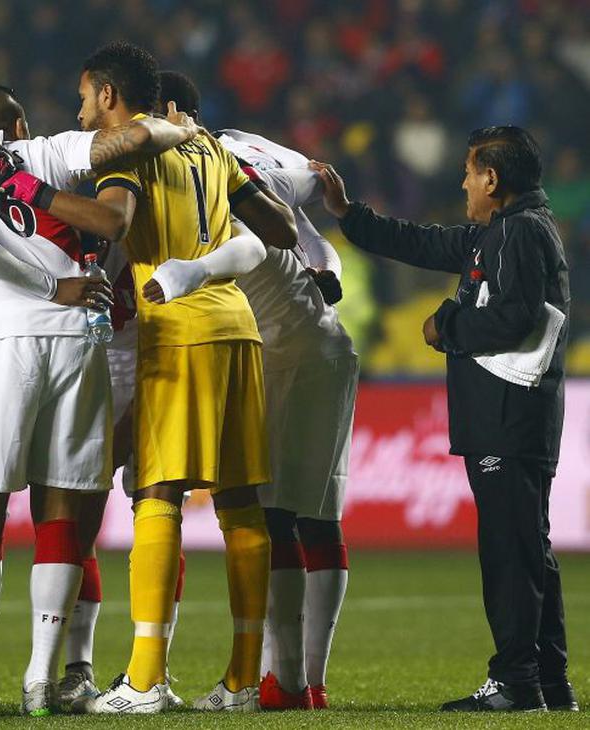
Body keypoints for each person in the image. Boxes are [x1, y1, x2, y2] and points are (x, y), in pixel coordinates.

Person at [0, 81, 195, 718]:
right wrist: (181, 129)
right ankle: (45, 680)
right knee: (63, 514)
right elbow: (135, 137)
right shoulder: (50, 150)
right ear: (17, 123)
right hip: (80, 342)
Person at [314, 125, 577, 713]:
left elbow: (513, 319)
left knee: (511, 552)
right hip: (513, 418)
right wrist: (348, 215)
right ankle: (546, 682)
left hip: (508, 418)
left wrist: (444, 327)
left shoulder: (518, 234)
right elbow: (424, 244)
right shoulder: (506, 231)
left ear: (492, 178)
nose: (462, 182)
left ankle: (515, 680)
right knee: (528, 549)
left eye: (468, 171)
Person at [71, 42, 296, 714]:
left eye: (85, 97)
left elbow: (114, 221)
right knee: (240, 501)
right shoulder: (214, 151)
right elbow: (279, 230)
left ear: (113, 96)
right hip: (239, 324)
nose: (82, 112)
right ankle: (242, 680)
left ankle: (144, 680)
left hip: (180, 327)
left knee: (157, 489)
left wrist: (32, 191)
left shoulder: (132, 150)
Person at [155, 70, 358, 712]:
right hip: (329, 343)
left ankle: (285, 683)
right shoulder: (253, 147)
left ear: (167, 113)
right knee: (318, 518)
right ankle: (307, 684)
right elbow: (316, 187)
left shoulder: (197, 171)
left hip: (283, 352)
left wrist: (192, 271)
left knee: (272, 517)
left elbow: (245, 246)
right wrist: (327, 265)